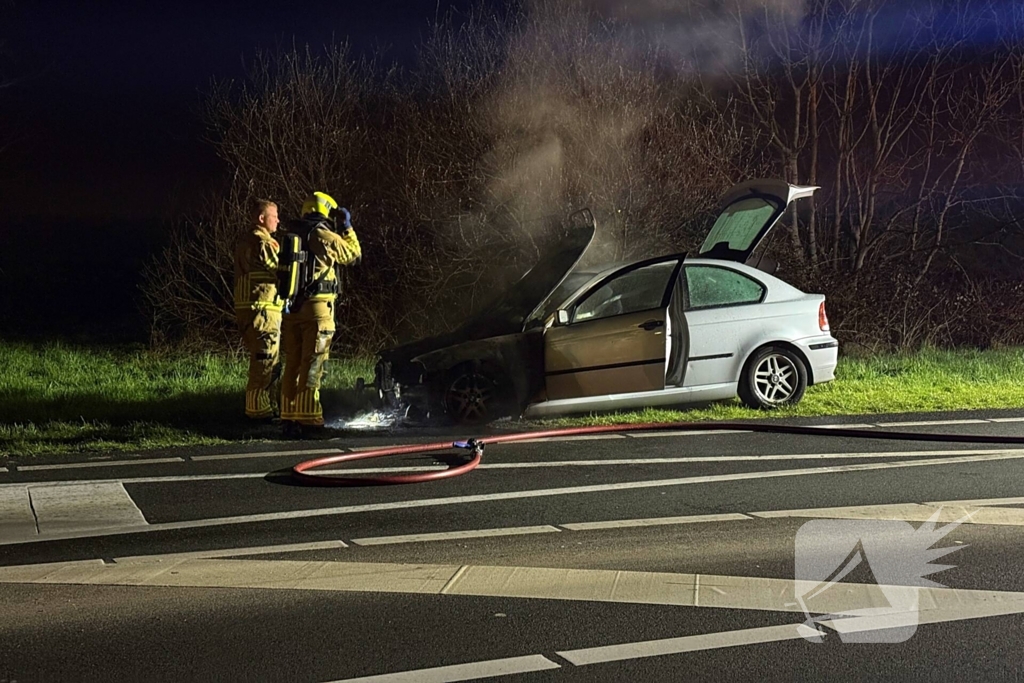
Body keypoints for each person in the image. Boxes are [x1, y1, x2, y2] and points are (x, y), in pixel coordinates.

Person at [279, 191, 361, 437]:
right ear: (326, 211)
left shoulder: (292, 235)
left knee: (292, 364)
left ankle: (288, 417)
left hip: (292, 310)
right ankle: (310, 420)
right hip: (318, 310)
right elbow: (354, 255)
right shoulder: (324, 235)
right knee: (313, 363)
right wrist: (346, 227)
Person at [233, 198, 283, 421]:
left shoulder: (244, 242)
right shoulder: (264, 243)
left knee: (261, 359)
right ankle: (258, 412)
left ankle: (263, 407)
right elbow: (282, 271)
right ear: (262, 219)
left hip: (249, 312)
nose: (278, 221)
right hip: (264, 312)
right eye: (275, 216)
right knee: (266, 361)